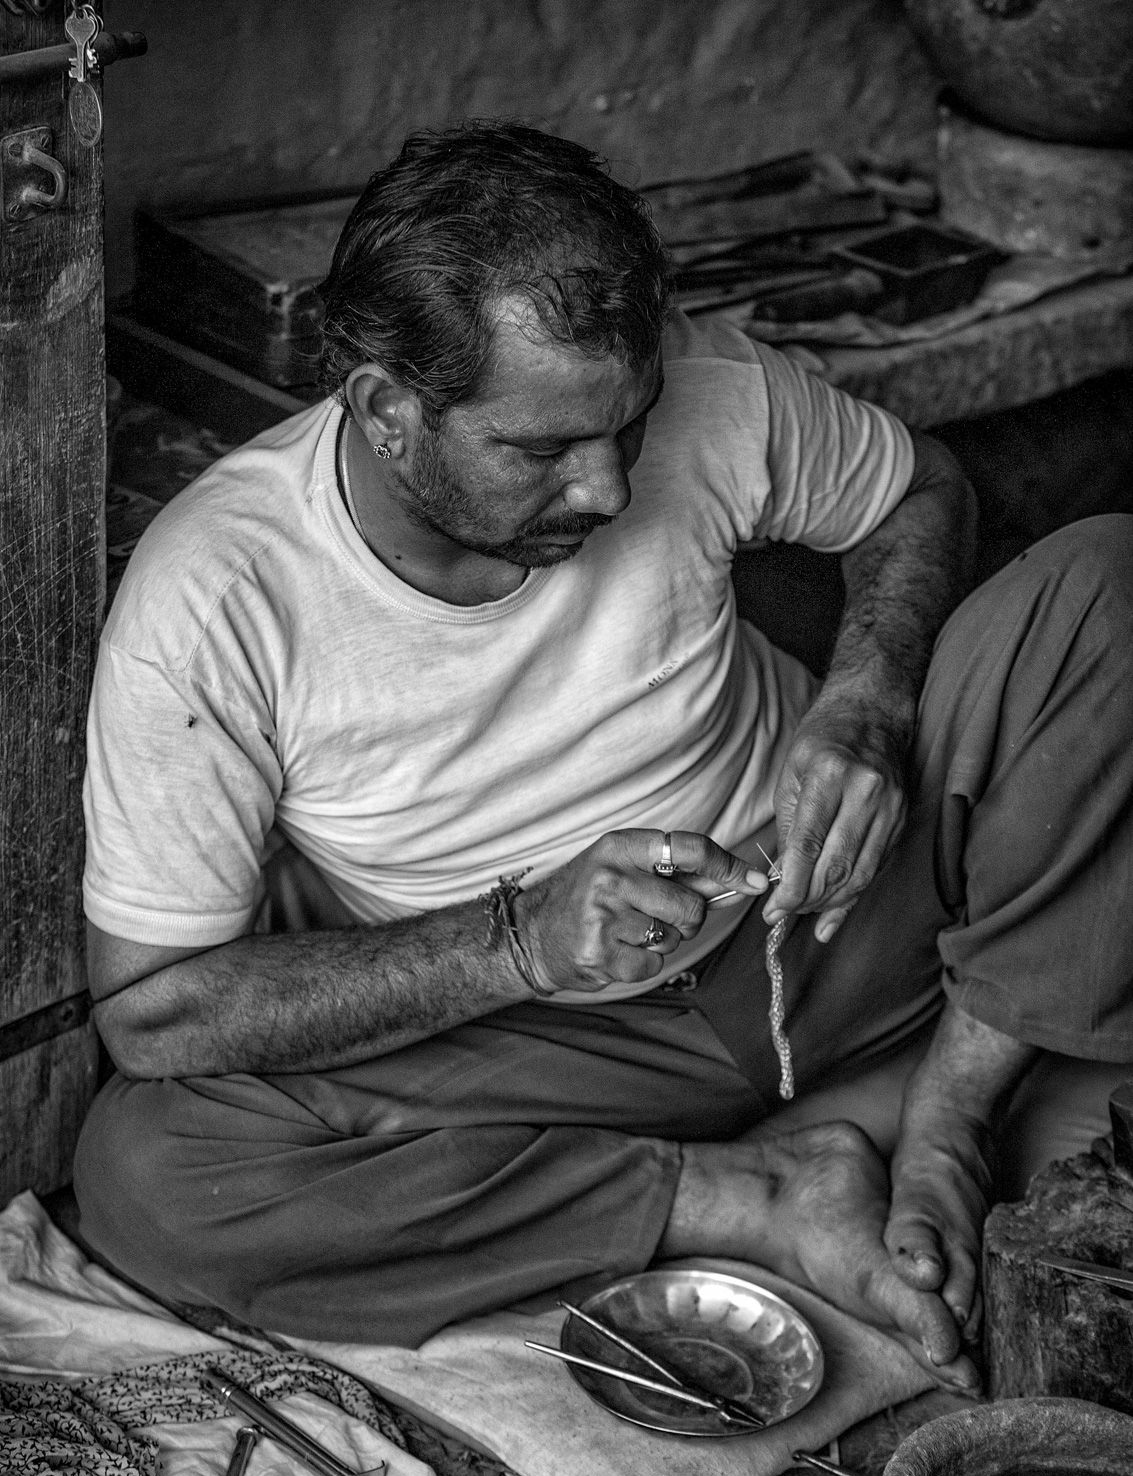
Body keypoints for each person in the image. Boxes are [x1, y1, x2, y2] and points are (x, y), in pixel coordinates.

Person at [75, 123, 1133, 1387]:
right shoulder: (215, 595)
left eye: (625, 428)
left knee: (1102, 585)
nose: (607, 491)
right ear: (384, 410)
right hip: (555, 1049)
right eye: (540, 451)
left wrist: (864, 703)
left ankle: (949, 1107)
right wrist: (519, 939)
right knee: (151, 1170)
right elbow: (151, 1010)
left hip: (844, 911)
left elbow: (922, 491)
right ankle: (752, 1190)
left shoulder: (708, 388)